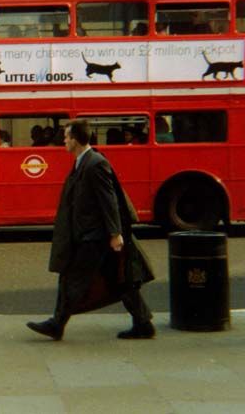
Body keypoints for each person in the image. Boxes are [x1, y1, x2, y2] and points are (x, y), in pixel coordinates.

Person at [27, 119, 155, 341]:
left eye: (66, 137)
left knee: (72, 279)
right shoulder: (82, 162)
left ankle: (57, 324)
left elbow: (110, 201)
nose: (64, 141)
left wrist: (115, 234)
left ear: (75, 139)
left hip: (95, 237)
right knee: (118, 280)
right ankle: (143, 323)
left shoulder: (95, 163)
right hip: (90, 234)